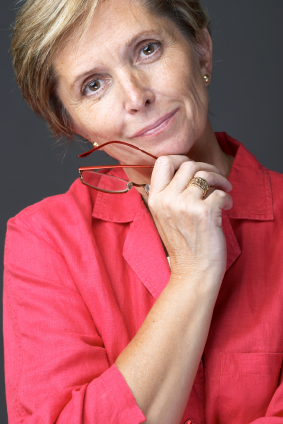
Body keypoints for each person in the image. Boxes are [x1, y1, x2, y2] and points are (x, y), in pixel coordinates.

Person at [3, 0, 283, 423]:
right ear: (69, 122)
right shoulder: (44, 240)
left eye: (147, 49)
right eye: (93, 85)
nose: (136, 97)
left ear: (201, 48)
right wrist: (193, 273)